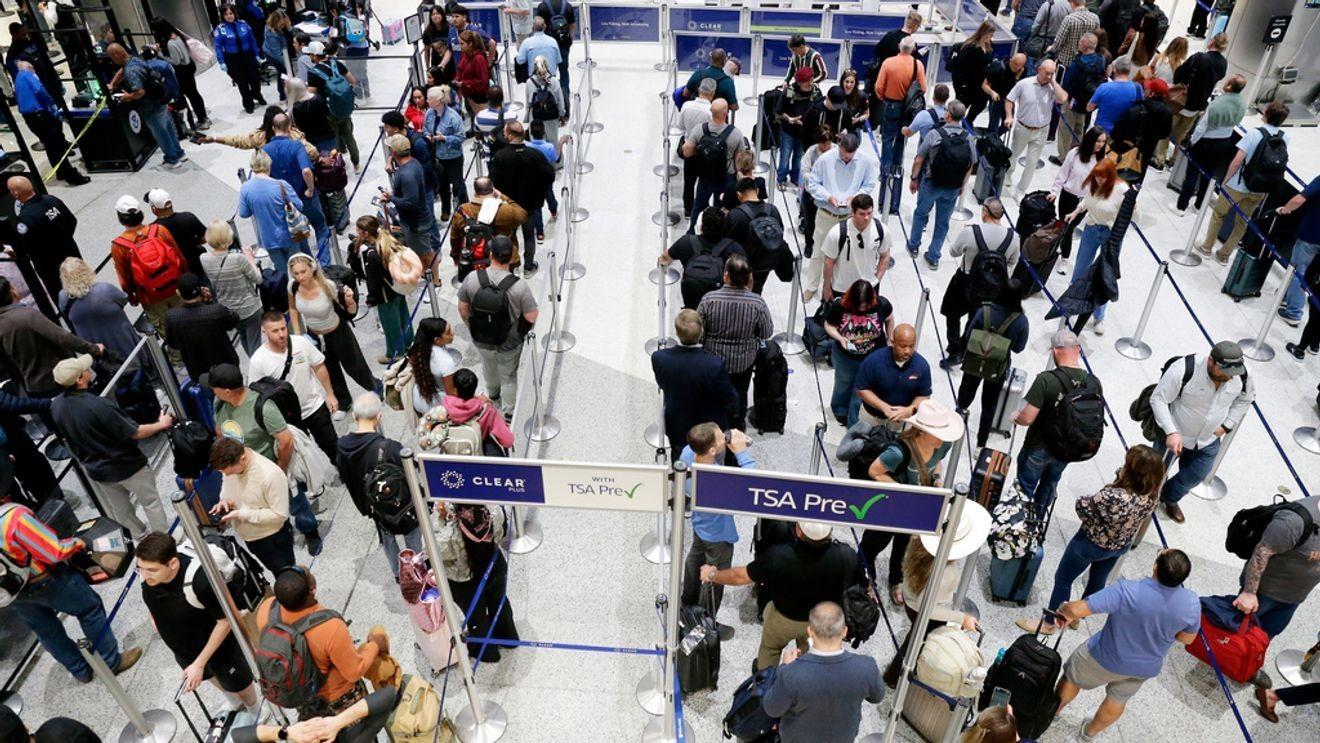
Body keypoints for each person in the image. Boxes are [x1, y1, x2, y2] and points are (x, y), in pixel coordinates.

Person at [1053, 549, 1200, 742]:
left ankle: (1052, 714)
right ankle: (1089, 734)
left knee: (1072, 678)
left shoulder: (1126, 590)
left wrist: (1064, 608)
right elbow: (1186, 639)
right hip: (1144, 668)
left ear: (1155, 567)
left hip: (1103, 656)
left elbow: (1076, 610)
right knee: (1117, 700)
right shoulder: (1192, 603)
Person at [1018, 444, 1164, 634]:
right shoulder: (1152, 496)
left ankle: (1050, 622)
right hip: (1120, 545)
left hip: (1089, 544)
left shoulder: (1113, 496)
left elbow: (1082, 506)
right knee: (1098, 579)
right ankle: (1077, 615)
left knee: (1063, 579)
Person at [1, 501, 142, 683]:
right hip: (46, 579)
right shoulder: (15, 517)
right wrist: (77, 543)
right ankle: (112, 662)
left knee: (46, 631)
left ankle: (80, 671)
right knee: (90, 609)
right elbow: (53, 552)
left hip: (12, 592)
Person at [701, 521, 861, 671]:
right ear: (830, 531)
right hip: (821, 622)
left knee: (770, 649)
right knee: (809, 650)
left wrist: (713, 575)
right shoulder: (846, 555)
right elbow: (862, 585)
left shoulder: (779, 555)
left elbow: (741, 576)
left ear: (799, 531)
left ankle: (765, 678)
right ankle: (804, 671)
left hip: (783, 618)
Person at [135, 533, 261, 719]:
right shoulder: (148, 576)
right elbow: (151, 602)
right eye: (140, 568)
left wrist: (199, 663)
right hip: (185, 651)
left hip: (220, 650)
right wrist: (155, 620)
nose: (144, 575)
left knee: (238, 683)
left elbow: (225, 621)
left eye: (151, 570)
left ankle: (255, 710)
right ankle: (234, 702)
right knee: (209, 677)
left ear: (173, 564)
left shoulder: (200, 581)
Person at [49, 354, 172, 539]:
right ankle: (162, 538)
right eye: (84, 369)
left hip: (98, 471)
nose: (88, 370)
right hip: (128, 466)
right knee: (150, 502)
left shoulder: (56, 406)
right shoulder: (99, 405)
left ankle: (139, 536)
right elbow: (136, 432)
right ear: (79, 379)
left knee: (121, 510)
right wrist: (161, 424)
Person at [206, 362, 322, 556]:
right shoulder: (220, 404)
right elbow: (220, 432)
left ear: (227, 391)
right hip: (242, 469)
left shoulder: (263, 407)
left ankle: (310, 529)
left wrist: (280, 469)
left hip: (270, 467)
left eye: (214, 388)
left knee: (294, 501)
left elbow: (285, 440)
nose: (212, 391)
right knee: (265, 506)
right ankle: (283, 528)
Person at [254, 566, 391, 714]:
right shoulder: (330, 627)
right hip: (338, 698)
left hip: (303, 696)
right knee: (362, 727)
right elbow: (354, 671)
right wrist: (375, 645)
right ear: (312, 591)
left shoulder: (266, 610)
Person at [884, 498, 988, 687]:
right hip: (922, 609)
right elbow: (928, 608)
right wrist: (961, 618)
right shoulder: (946, 572)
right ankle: (894, 677)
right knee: (915, 642)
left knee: (914, 638)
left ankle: (894, 676)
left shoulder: (920, 541)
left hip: (910, 598)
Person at [1149, 342, 1254, 524]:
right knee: (1155, 474)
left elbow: (1245, 399)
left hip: (1208, 440)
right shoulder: (1183, 370)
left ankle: (1169, 498)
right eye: (1225, 372)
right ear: (1211, 361)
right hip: (1174, 436)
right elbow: (1158, 399)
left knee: (1196, 475)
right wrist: (1171, 431)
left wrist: (1226, 425)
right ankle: (1147, 501)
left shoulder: (1242, 375)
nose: (1229, 377)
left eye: (1233, 373)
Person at [761, 601, 884, 743]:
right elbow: (877, 697)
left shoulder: (791, 673)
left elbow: (772, 709)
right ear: (844, 631)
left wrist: (784, 667)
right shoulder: (867, 667)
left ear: (810, 632)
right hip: (843, 738)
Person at [1012, 330, 1102, 515]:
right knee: (1049, 484)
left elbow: (1027, 418)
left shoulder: (1046, 380)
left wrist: (1015, 416)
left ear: (1055, 351)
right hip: (1067, 449)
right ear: (1078, 349)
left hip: (1038, 447)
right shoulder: (1093, 383)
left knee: (1025, 487)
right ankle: (1037, 520)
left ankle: (1020, 523)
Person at [335, 392, 424, 578]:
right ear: (379, 417)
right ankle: (417, 569)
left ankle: (398, 573)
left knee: (387, 538)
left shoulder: (342, 447)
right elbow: (412, 474)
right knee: (412, 535)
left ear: (354, 416)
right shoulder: (390, 448)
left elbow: (347, 479)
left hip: (374, 506)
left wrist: (365, 508)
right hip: (402, 506)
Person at [1197, 101, 1291, 265]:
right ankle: (1224, 255)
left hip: (1238, 185)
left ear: (1267, 114)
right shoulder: (1284, 137)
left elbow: (1237, 160)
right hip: (1260, 188)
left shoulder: (1254, 133)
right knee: (1243, 222)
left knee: (1219, 214)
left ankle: (1207, 247)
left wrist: (1226, 179)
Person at [679, 423, 754, 625]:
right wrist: (742, 452)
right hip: (719, 536)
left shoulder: (688, 453)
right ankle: (706, 619)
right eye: (722, 438)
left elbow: (711, 450)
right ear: (712, 450)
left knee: (694, 561)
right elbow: (751, 483)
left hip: (699, 526)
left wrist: (725, 438)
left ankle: (686, 603)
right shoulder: (719, 481)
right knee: (715, 577)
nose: (725, 438)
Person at [457, 237, 538, 420]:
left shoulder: (472, 278)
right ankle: (509, 413)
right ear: (512, 257)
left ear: (491, 254)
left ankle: (493, 395)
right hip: (509, 341)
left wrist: (472, 326)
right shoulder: (519, 286)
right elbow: (531, 316)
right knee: (508, 375)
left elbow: (462, 308)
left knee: (489, 366)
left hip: (481, 338)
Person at [287, 254, 379, 410]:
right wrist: (298, 335)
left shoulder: (328, 286)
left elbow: (348, 311)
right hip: (314, 336)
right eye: (296, 273)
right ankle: (343, 402)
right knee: (330, 370)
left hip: (338, 331)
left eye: (303, 272)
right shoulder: (293, 287)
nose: (300, 277)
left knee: (355, 366)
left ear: (312, 268)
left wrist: (350, 301)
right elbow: (293, 308)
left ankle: (375, 388)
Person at [249, 311, 339, 458]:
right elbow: (256, 395)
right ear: (265, 332)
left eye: (283, 328)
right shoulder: (258, 361)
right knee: (304, 457)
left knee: (333, 447)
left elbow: (318, 366)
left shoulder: (300, 342)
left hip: (314, 406)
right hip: (288, 418)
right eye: (275, 331)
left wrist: (330, 394)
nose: (281, 334)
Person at [697, 255, 773, 431]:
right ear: (749, 277)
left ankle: (713, 426)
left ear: (726, 275)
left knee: (714, 393)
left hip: (713, 361)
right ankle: (737, 425)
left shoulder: (709, 299)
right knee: (740, 392)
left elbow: (699, 334)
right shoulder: (757, 303)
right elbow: (766, 333)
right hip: (744, 362)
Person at [650, 310, 738, 459]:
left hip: (678, 424)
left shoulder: (659, 358)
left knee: (680, 461)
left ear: (677, 332)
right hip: (708, 430)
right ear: (701, 331)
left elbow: (662, 384)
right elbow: (729, 398)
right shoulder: (714, 365)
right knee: (711, 462)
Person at [943, 197, 1021, 365]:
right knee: (976, 319)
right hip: (993, 288)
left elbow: (954, 252)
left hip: (964, 282)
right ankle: (965, 347)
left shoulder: (970, 232)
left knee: (953, 314)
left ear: (985, 212)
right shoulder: (1013, 237)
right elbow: (1012, 263)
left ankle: (954, 350)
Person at [0, 276, 104, 400]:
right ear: (12, 291)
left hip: (34, 389)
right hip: (59, 380)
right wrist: (93, 349)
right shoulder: (27, 316)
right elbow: (62, 337)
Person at [439, 507, 519, 662]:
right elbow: (502, 529)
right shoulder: (491, 509)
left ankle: (488, 653)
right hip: (493, 563)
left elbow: (437, 550)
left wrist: (442, 519)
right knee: (499, 602)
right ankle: (508, 636)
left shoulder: (450, 529)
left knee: (477, 616)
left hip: (464, 579)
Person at [805, 133, 878, 300]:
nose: (846, 158)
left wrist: (855, 198)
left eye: (850, 157)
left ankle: (836, 288)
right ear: (839, 146)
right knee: (818, 252)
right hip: (827, 214)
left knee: (845, 255)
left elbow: (869, 184)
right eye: (843, 155)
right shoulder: (825, 159)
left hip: (849, 217)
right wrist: (827, 197)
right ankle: (812, 286)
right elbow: (813, 183)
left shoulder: (865, 161)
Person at [207, 437, 295, 571]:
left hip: (272, 539)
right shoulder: (231, 463)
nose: (227, 475)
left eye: (230, 472)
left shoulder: (271, 475)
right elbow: (227, 484)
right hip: (250, 537)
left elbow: (279, 515)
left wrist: (241, 514)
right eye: (223, 473)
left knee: (287, 575)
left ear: (242, 458)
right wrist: (224, 499)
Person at [908, 101, 978, 268]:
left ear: (948, 115)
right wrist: (962, 184)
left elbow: (919, 159)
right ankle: (934, 257)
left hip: (931, 183)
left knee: (920, 214)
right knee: (942, 222)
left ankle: (914, 246)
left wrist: (914, 178)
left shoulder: (935, 134)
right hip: (952, 187)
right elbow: (971, 164)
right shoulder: (968, 137)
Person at [957, 288, 1029, 448]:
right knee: (989, 405)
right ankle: (981, 444)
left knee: (965, 395)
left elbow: (968, 335)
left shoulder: (984, 310)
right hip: (998, 367)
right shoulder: (1021, 321)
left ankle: (954, 424)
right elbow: (1018, 348)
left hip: (975, 360)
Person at [1065, 159, 1130, 334]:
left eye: (1103, 177)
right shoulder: (1094, 183)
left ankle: (1099, 317)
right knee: (1080, 270)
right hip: (1091, 228)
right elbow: (1087, 200)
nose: (1099, 180)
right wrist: (1076, 212)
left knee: (1104, 277)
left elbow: (1133, 215)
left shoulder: (1122, 190)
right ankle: (1071, 305)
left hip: (1111, 235)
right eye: (1096, 176)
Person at [110, 195, 186, 338]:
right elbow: (179, 257)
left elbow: (124, 278)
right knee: (187, 321)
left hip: (150, 296)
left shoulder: (119, 245)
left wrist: (132, 297)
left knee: (168, 331)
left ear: (120, 218)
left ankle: (176, 352)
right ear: (141, 213)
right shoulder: (159, 230)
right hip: (175, 286)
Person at [9, 175, 81, 318]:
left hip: (52, 271)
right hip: (73, 256)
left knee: (67, 306)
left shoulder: (25, 218)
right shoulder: (51, 200)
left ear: (16, 194)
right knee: (85, 289)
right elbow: (72, 221)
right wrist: (64, 240)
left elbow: (27, 248)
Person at [106, 43, 186, 169]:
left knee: (161, 134)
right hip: (160, 100)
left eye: (112, 58)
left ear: (116, 56)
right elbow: (123, 70)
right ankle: (179, 153)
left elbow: (139, 92)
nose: (112, 61)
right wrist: (113, 83)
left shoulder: (131, 70)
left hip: (149, 106)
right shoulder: (135, 59)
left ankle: (172, 160)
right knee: (168, 128)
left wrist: (128, 97)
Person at [825, 280, 893, 424]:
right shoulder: (840, 306)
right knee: (843, 383)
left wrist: (889, 339)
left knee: (863, 389)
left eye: (865, 306)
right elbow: (829, 325)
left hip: (872, 356)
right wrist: (840, 338)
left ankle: (854, 419)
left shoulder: (881, 304)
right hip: (846, 356)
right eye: (858, 306)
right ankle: (840, 409)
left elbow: (889, 318)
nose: (862, 309)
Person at [491, 121, 556, 273]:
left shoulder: (500, 156)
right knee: (529, 236)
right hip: (530, 205)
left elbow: (493, 181)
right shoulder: (534, 154)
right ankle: (528, 266)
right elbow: (549, 175)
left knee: (509, 237)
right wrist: (539, 190)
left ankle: (511, 267)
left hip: (508, 206)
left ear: (509, 135)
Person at [352, 215, 419, 363]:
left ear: (365, 233)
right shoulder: (389, 242)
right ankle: (408, 343)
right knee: (403, 316)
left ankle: (395, 353)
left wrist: (371, 299)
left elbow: (374, 281)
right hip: (398, 287)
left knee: (390, 325)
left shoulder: (372, 254)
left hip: (384, 295)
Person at [264, 113, 330, 261]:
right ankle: (325, 263)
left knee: (299, 233)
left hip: (284, 201)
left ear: (273, 128)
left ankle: (308, 264)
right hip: (304, 196)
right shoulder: (296, 146)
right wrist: (310, 189)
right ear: (289, 127)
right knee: (320, 227)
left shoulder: (265, 150)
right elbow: (306, 170)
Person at [873, 36, 927, 214]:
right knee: (901, 139)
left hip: (890, 104)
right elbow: (923, 89)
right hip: (908, 108)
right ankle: (897, 168)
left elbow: (879, 87)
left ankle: (885, 170)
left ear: (899, 46)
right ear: (913, 49)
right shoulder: (918, 65)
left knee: (887, 139)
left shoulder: (888, 63)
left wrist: (885, 99)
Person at [12, 61, 88, 185]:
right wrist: (51, 102)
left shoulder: (18, 78)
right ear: (30, 67)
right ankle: (71, 176)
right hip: (40, 115)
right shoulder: (28, 75)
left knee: (50, 145)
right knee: (56, 144)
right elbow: (39, 90)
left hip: (30, 117)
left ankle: (60, 172)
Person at [1177, 74, 1244, 213]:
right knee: (1208, 175)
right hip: (1223, 142)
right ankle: (1198, 206)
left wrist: (1192, 141)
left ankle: (1181, 207)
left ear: (1229, 86)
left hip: (1205, 142)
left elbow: (1202, 127)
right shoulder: (1242, 104)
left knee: (1191, 175)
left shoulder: (1216, 104)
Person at [659, 207, 746, 310]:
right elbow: (746, 278)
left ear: (701, 226)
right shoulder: (734, 248)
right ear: (724, 227)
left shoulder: (686, 242)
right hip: (720, 305)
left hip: (692, 303)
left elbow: (664, 259)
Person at [199, 221, 264, 356]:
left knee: (244, 338)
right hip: (249, 308)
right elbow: (258, 279)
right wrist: (250, 259)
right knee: (255, 344)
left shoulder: (204, 259)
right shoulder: (238, 259)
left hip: (228, 309)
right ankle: (258, 366)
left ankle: (253, 363)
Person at [682, 99, 747, 232]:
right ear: (726, 113)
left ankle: (692, 231)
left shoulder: (699, 129)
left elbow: (687, 152)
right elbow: (738, 161)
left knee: (699, 204)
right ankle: (717, 233)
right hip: (726, 177)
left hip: (705, 175)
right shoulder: (735, 133)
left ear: (711, 111)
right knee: (721, 207)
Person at [1003, 60, 1066, 195]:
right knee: (1013, 155)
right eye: (1047, 73)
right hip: (1023, 128)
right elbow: (1009, 99)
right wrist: (1009, 116)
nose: (1049, 76)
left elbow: (1063, 98)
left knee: (1032, 162)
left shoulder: (1052, 88)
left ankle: (1021, 190)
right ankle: (1007, 176)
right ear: (1039, 70)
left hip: (1041, 131)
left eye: (1052, 74)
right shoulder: (1024, 84)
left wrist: (1054, 82)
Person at [57, 258, 138, 362]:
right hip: (125, 344)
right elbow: (123, 299)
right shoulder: (105, 289)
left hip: (98, 354)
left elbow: (65, 314)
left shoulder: (63, 297)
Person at [164, 273, 241, 382]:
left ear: (178, 293)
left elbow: (174, 345)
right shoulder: (216, 311)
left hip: (199, 372)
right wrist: (209, 303)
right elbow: (234, 320)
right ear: (201, 290)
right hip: (227, 366)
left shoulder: (172, 317)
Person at [852, 323, 929, 430]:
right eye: (903, 346)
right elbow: (861, 389)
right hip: (872, 417)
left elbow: (924, 395)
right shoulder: (873, 361)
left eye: (911, 346)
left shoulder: (922, 366)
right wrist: (885, 408)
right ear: (892, 342)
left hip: (900, 421)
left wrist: (910, 409)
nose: (907, 351)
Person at [1051, 127, 1106, 273]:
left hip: (1084, 201)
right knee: (1066, 227)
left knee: (1069, 227)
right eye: (1098, 141)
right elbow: (1063, 173)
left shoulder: (1102, 160)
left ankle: (1061, 249)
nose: (1100, 145)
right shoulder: (1075, 153)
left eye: (1103, 142)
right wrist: (1054, 192)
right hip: (1068, 196)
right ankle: (1063, 255)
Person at [238, 150, 303, 268]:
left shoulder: (245, 188)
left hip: (267, 238)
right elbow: (299, 205)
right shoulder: (281, 184)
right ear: (268, 165)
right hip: (289, 235)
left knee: (281, 270)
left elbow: (243, 213)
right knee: (296, 268)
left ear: (252, 167)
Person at [449, 178, 529, 272]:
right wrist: (503, 197)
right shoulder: (505, 209)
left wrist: (455, 257)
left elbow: (455, 238)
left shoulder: (463, 211)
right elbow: (523, 215)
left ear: (475, 191)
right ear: (493, 189)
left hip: (477, 262)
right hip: (506, 260)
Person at [822, 193, 889, 302]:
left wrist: (877, 280)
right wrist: (826, 287)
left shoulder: (881, 230)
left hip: (869, 289)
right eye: (862, 214)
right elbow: (828, 262)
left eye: (869, 213)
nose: (866, 218)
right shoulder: (837, 233)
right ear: (852, 212)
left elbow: (885, 255)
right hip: (842, 289)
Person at [305, 41, 360, 171]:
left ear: (314, 55)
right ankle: (356, 164)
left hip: (328, 112)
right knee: (349, 137)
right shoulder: (337, 64)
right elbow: (353, 81)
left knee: (334, 140)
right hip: (345, 109)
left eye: (310, 54)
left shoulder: (313, 72)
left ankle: (339, 165)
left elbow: (309, 95)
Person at [380, 134, 436, 259]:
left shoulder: (406, 175)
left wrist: (391, 198)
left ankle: (431, 272)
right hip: (418, 220)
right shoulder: (414, 162)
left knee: (423, 257)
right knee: (425, 253)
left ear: (394, 152)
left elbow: (409, 203)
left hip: (416, 225)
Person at [1277, 176, 1320, 329]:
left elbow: (1299, 199)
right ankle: (1286, 295)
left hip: (1311, 235)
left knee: (1298, 273)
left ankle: (1293, 313)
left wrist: (1284, 210)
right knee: (1309, 274)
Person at [1055, 33, 1105, 162]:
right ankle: (1077, 152)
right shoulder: (1101, 60)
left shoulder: (1078, 63)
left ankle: (1063, 157)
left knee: (1066, 128)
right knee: (1079, 127)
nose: (1078, 43)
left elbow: (1067, 84)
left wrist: (1061, 97)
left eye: (1080, 42)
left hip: (1073, 100)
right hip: (1087, 101)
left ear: (1084, 45)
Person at [443, 368, 516, 453]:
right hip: (479, 442)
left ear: (455, 389)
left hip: (453, 443)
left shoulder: (446, 405)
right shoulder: (487, 410)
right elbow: (508, 441)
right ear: (475, 387)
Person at [425, 85, 468, 223]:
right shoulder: (429, 114)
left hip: (453, 157)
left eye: (429, 99)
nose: (427, 101)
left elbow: (461, 137)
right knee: (442, 185)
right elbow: (425, 129)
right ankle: (446, 209)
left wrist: (444, 138)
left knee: (457, 185)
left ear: (438, 101)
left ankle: (463, 209)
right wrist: (428, 136)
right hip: (437, 156)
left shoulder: (453, 117)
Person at [776, 67, 823, 189]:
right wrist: (790, 119)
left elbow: (820, 109)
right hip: (788, 131)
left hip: (805, 133)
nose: (811, 83)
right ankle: (781, 179)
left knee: (799, 157)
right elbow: (779, 112)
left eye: (811, 79)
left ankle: (796, 177)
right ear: (799, 82)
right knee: (785, 156)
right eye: (807, 81)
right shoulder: (789, 92)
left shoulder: (816, 92)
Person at [212, 4, 264, 113]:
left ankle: (257, 94)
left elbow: (252, 40)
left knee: (255, 78)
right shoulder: (220, 29)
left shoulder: (243, 24)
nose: (229, 16)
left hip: (248, 55)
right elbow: (218, 47)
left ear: (234, 13)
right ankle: (248, 104)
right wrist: (221, 62)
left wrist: (257, 54)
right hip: (233, 59)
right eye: (226, 14)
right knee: (242, 83)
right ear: (223, 16)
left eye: (231, 13)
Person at [145, 189, 207, 280]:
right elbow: (206, 237)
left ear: (154, 209)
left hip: (175, 274)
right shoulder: (188, 217)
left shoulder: (152, 230)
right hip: (197, 266)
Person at [1149, 37, 1190, 169]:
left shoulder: (1159, 58)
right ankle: (1157, 155)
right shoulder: (1182, 65)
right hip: (1169, 99)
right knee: (1162, 127)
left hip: (1154, 92)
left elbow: (1150, 72)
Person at [678, 78, 717, 215]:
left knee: (688, 182)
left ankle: (688, 209)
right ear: (713, 92)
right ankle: (702, 209)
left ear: (699, 90)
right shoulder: (711, 111)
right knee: (704, 182)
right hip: (705, 152)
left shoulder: (686, 106)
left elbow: (681, 126)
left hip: (688, 149)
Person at [406, 318, 459, 416]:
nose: (452, 333)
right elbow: (451, 393)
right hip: (437, 407)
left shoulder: (417, 347)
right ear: (437, 340)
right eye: (448, 332)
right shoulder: (446, 362)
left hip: (418, 398)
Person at [950, 20, 995, 127]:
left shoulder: (989, 46)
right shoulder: (970, 47)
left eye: (992, 35)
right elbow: (961, 67)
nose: (990, 37)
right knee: (960, 107)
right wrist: (963, 84)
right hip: (967, 84)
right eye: (989, 34)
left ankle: (968, 121)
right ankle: (952, 124)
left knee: (981, 103)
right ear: (983, 32)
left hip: (980, 83)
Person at [534, 0, 576, 113]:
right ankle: (566, 104)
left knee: (549, 74)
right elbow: (572, 25)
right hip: (564, 45)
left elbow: (538, 27)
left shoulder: (542, 6)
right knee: (564, 72)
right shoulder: (567, 6)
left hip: (548, 47)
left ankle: (550, 103)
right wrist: (570, 39)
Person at [980, 53, 1027, 134]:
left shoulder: (1023, 71)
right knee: (993, 126)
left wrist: (1017, 78)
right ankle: (992, 137)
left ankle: (994, 138)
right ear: (1011, 60)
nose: (1014, 66)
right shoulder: (998, 68)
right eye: (1014, 63)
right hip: (997, 97)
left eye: (1018, 65)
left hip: (1009, 99)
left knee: (1008, 124)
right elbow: (984, 85)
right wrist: (992, 92)